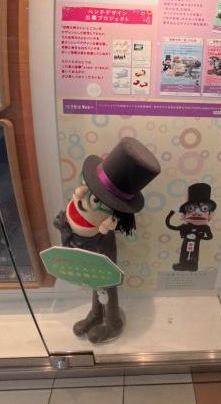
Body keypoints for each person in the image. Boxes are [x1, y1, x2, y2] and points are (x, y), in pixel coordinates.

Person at [54, 137, 161, 343]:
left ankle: (113, 321)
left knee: (107, 283)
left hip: (102, 247)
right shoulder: (84, 206)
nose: (79, 193)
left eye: (94, 197)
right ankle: (96, 314)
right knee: (95, 281)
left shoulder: (105, 225)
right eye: (84, 185)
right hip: (90, 245)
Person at [165, 183, 215, 272]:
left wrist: (200, 237)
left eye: (204, 209)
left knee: (194, 252)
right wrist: (172, 211)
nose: (197, 213)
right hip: (187, 241)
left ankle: (193, 264)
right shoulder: (185, 227)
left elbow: (210, 237)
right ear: (185, 213)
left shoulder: (205, 228)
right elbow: (169, 225)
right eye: (191, 208)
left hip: (196, 242)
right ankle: (182, 264)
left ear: (209, 213)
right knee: (184, 251)